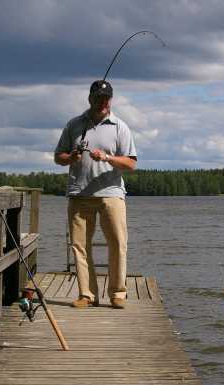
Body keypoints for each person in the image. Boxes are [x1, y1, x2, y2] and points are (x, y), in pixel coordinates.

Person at [54, 80, 137, 309]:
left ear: (110, 100)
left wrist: (108, 158)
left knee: (118, 244)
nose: (103, 102)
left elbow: (130, 163)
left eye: (107, 98)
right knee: (79, 246)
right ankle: (87, 295)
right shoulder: (74, 125)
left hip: (112, 194)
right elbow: (58, 157)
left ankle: (118, 293)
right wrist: (71, 158)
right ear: (89, 98)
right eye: (99, 98)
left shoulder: (120, 126)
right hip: (79, 194)